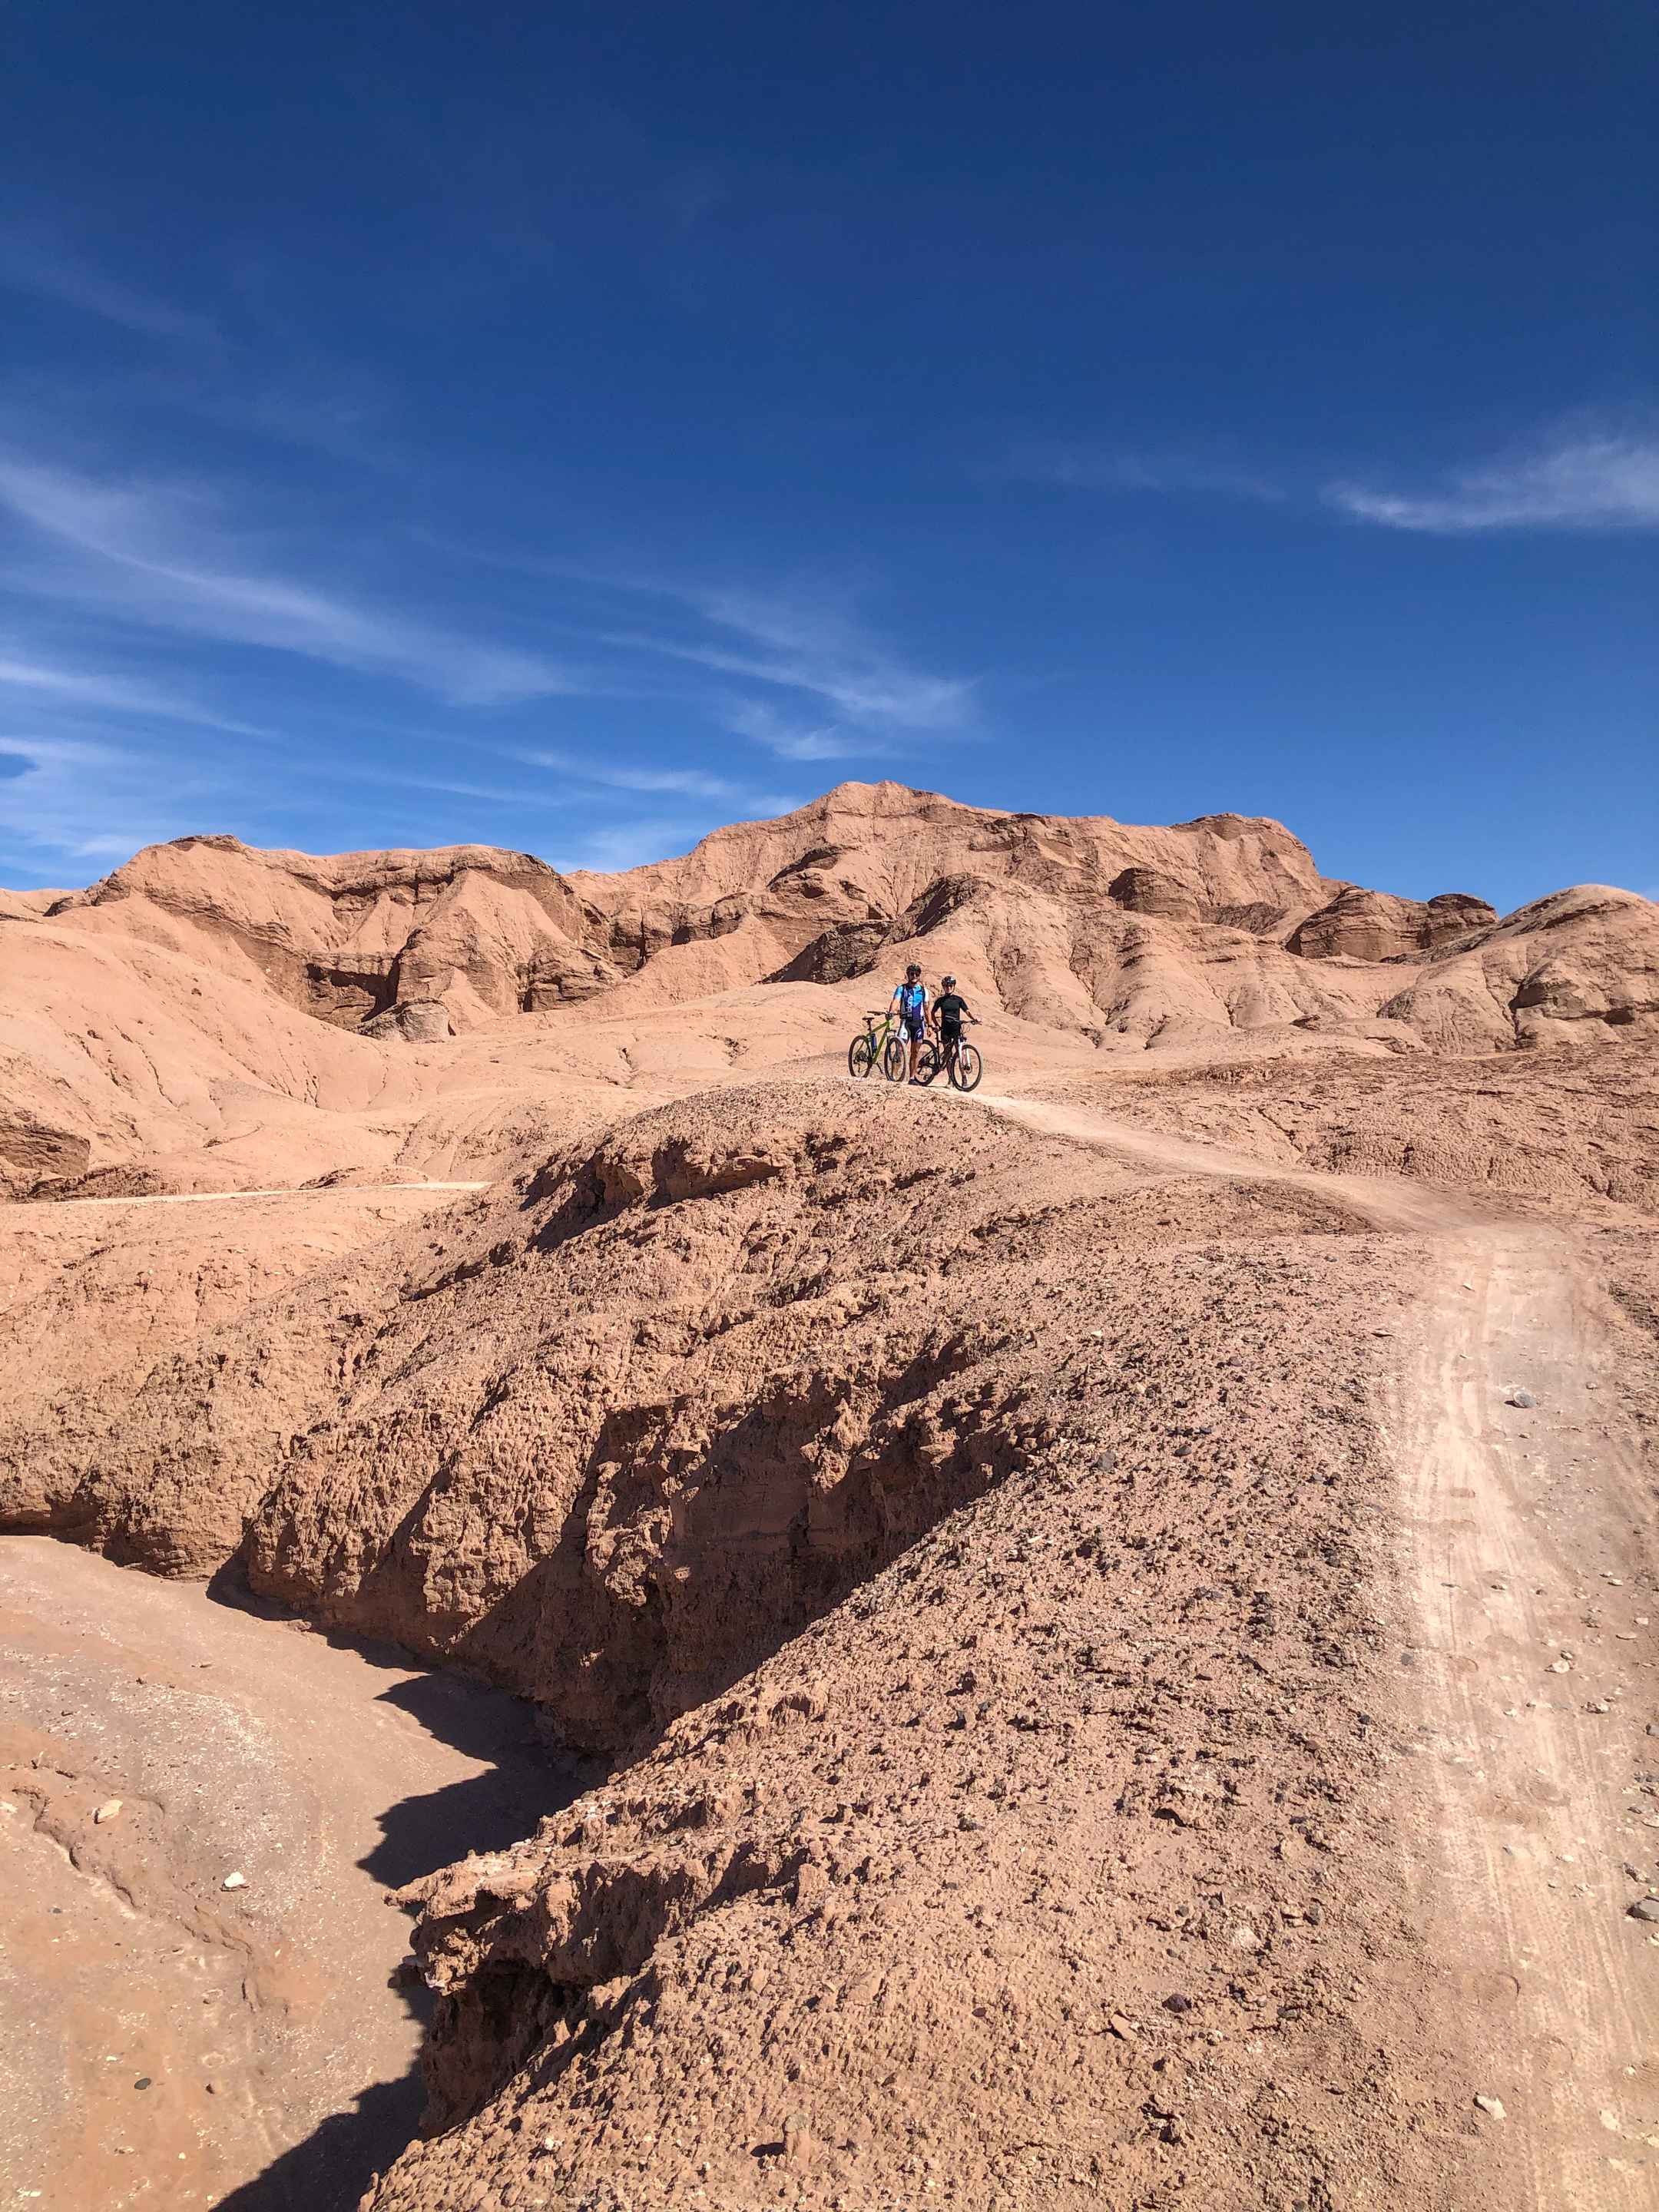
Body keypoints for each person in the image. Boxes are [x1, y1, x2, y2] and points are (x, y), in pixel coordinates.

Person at [889, 962, 930, 1082]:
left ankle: (912, 1077)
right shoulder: (902, 989)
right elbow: (896, 1001)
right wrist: (891, 1012)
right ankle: (894, 1076)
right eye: (912, 974)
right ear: (908, 975)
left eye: (917, 974)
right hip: (906, 1023)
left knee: (915, 1052)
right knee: (900, 1049)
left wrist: (930, 1025)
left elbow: (927, 1009)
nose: (914, 976)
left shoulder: (924, 991)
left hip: (919, 1024)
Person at [931, 975, 978, 1075]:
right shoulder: (940, 1000)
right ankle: (951, 1079)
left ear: (954, 986)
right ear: (944, 987)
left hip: (957, 1029)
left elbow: (967, 1011)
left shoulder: (958, 1000)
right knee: (949, 1056)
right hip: (945, 1030)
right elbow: (932, 1013)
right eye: (947, 986)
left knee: (962, 1053)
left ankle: (964, 1078)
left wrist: (974, 1019)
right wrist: (936, 1025)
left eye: (951, 985)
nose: (949, 987)